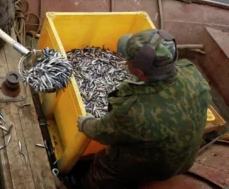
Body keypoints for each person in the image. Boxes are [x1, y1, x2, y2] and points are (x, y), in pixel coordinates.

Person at [76, 29, 211, 189]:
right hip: (185, 160)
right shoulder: (193, 74)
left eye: (127, 58)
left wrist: (85, 123)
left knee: (103, 165)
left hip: (153, 168)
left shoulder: (133, 109)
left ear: (140, 73)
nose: (125, 60)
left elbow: (102, 133)